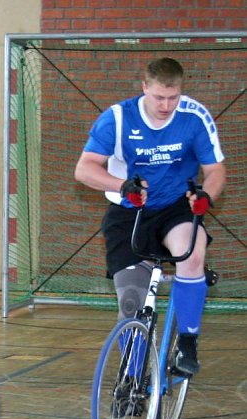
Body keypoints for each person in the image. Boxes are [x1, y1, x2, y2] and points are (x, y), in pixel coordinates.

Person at [75, 56, 224, 375]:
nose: (167, 105)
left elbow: (215, 170)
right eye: (159, 97)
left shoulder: (194, 117)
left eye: (173, 97)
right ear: (145, 87)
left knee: (193, 256)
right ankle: (130, 377)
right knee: (131, 303)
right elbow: (84, 169)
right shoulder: (117, 118)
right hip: (130, 211)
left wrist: (206, 195)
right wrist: (122, 185)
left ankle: (187, 343)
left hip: (175, 208)